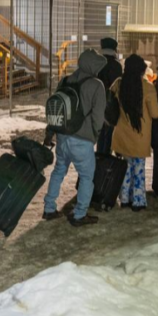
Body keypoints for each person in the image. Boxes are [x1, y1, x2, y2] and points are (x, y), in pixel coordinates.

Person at [43, 49, 107, 226]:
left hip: (63, 137)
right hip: (82, 140)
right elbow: (98, 116)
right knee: (87, 177)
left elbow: (56, 110)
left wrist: (50, 133)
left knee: (58, 172)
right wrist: (94, 135)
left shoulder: (65, 80)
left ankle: (49, 208)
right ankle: (79, 214)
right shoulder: (97, 85)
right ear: (94, 66)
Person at [109, 55, 158, 211]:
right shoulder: (148, 87)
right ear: (142, 70)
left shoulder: (118, 84)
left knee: (125, 168)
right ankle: (138, 201)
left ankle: (124, 199)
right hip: (139, 137)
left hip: (121, 135)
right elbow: (156, 113)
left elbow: (110, 99)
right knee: (138, 170)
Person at [96, 38, 123, 154]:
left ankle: (100, 156)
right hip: (111, 102)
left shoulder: (96, 63)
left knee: (100, 132)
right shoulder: (116, 65)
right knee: (110, 131)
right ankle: (107, 159)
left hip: (96, 101)